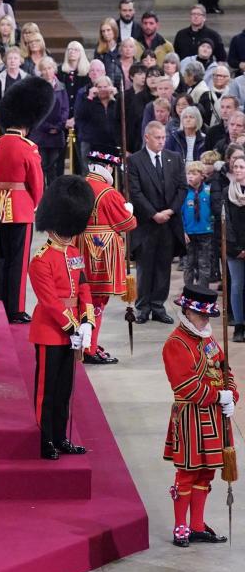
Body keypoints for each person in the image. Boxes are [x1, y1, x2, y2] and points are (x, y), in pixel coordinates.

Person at [163, 285, 237, 547]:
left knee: (206, 474)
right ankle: (180, 526)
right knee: (187, 473)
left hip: (214, 418)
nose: (205, 320)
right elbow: (185, 386)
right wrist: (219, 397)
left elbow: (224, 369)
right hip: (191, 417)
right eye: (200, 314)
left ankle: (196, 525)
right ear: (187, 311)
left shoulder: (207, 338)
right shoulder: (176, 343)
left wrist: (232, 396)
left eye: (207, 315)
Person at [29, 175, 96, 459]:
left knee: (65, 389)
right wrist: (73, 326)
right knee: (47, 391)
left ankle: (60, 436)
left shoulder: (73, 252)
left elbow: (83, 286)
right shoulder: (40, 260)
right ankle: (45, 440)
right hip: (50, 331)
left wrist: (88, 320)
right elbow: (50, 302)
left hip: (73, 331)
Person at [0, 76, 51, 324]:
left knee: (2, 259)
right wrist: (37, 204)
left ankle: (0, 302)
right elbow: (37, 183)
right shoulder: (28, 147)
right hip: (21, 207)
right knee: (18, 261)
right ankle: (15, 308)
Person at [75, 149, 137, 365]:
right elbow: (127, 224)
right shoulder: (108, 192)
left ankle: (85, 342)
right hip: (102, 251)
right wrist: (128, 210)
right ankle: (89, 347)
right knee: (97, 301)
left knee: (83, 297)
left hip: (79, 246)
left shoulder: (79, 186)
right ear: (108, 167)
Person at [127, 121, 186, 324]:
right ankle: (142, 307)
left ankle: (158, 306)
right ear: (147, 138)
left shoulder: (175, 158)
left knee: (163, 266)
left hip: (169, 223)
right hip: (146, 224)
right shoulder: (135, 161)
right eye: (157, 138)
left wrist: (169, 211)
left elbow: (182, 188)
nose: (162, 141)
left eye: (163, 138)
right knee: (145, 268)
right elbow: (135, 192)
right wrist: (153, 214)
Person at [31, 57, 68, 186]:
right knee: (41, 168)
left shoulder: (62, 87)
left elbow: (65, 109)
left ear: (54, 69)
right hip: (40, 134)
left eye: (49, 68)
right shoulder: (37, 88)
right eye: (44, 69)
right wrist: (47, 127)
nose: (47, 72)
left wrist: (58, 126)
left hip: (57, 135)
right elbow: (36, 111)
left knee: (54, 169)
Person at [180, 161, 214, 289]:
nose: (190, 176)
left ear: (202, 176)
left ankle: (203, 292)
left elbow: (213, 211)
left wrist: (211, 225)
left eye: (194, 174)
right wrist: (182, 231)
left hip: (205, 233)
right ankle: (188, 293)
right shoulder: (183, 192)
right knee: (188, 264)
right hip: (188, 234)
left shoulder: (208, 191)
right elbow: (179, 213)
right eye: (188, 173)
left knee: (204, 264)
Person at [225, 155, 245, 341]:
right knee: (237, 286)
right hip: (234, 249)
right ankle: (239, 325)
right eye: (235, 167)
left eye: (241, 166)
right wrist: (236, 248)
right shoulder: (226, 193)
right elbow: (226, 223)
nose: (238, 170)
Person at [198, 64, 230, 129]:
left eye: (222, 76)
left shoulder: (231, 95)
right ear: (212, 77)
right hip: (207, 131)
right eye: (217, 75)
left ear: (228, 78)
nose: (219, 78)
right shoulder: (205, 95)